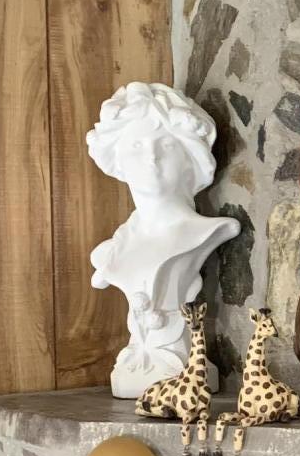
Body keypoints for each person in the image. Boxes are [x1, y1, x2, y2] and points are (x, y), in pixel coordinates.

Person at [86, 81, 237, 396]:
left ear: (190, 159)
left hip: (182, 376)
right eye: (136, 145)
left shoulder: (204, 233)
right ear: (118, 159)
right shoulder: (113, 249)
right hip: (136, 369)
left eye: (166, 145)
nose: (151, 157)